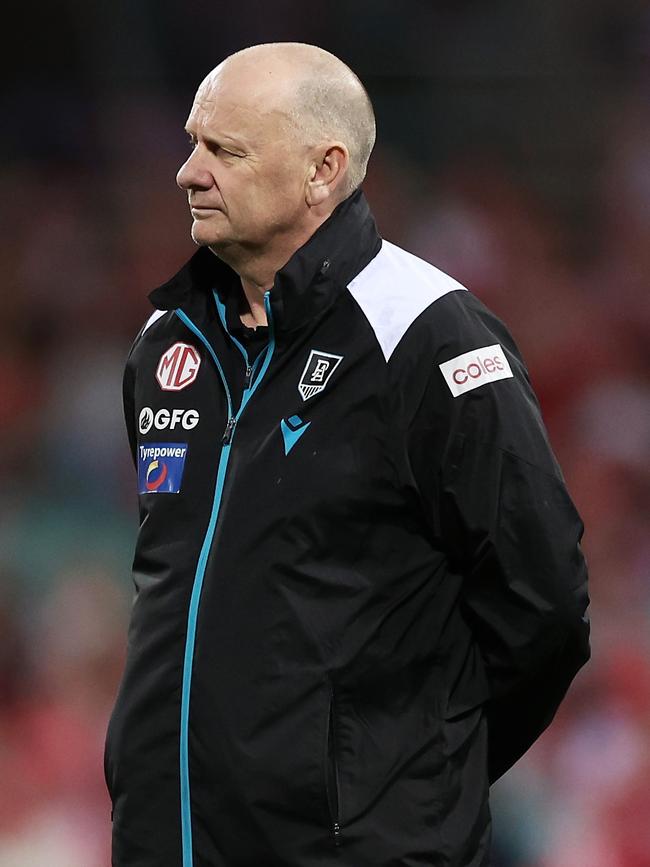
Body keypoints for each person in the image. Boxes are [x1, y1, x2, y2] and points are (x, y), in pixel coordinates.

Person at [104, 41, 590, 867]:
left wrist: (401, 782)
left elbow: (542, 611)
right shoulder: (166, 344)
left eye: (223, 150)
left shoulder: (428, 334)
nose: (188, 171)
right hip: (166, 843)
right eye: (193, 141)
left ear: (322, 170)